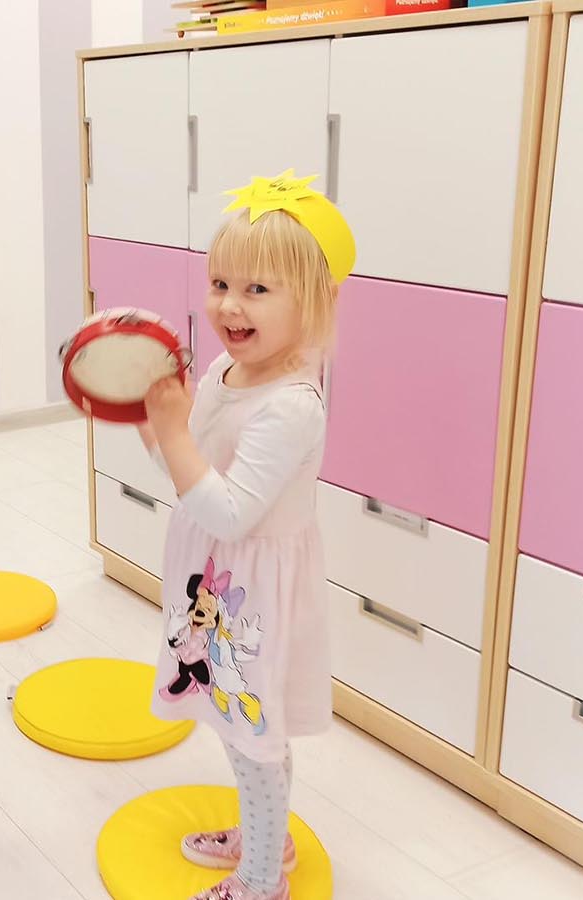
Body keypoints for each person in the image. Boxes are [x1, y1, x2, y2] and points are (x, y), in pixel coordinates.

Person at [139, 170, 355, 900]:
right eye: (221, 283)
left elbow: (230, 511)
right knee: (238, 724)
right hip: (215, 582)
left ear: (313, 302)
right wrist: (154, 424)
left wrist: (173, 434)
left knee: (252, 733)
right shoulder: (226, 371)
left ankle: (262, 880)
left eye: (258, 289)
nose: (230, 304)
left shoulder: (292, 405)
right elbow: (188, 473)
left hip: (251, 593)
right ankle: (271, 839)